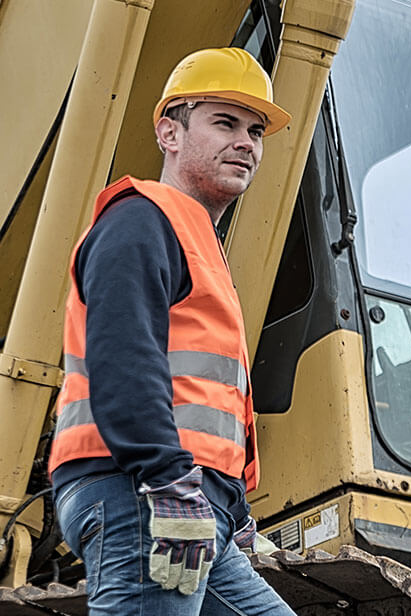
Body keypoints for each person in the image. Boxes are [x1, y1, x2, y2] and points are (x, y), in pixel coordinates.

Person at [48, 47, 296, 616]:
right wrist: (167, 480)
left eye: (256, 130)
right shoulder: (142, 220)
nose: (247, 143)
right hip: (141, 489)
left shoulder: (195, 240)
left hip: (187, 497)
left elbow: (200, 394)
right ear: (170, 133)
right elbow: (124, 361)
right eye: (224, 122)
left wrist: (231, 509)